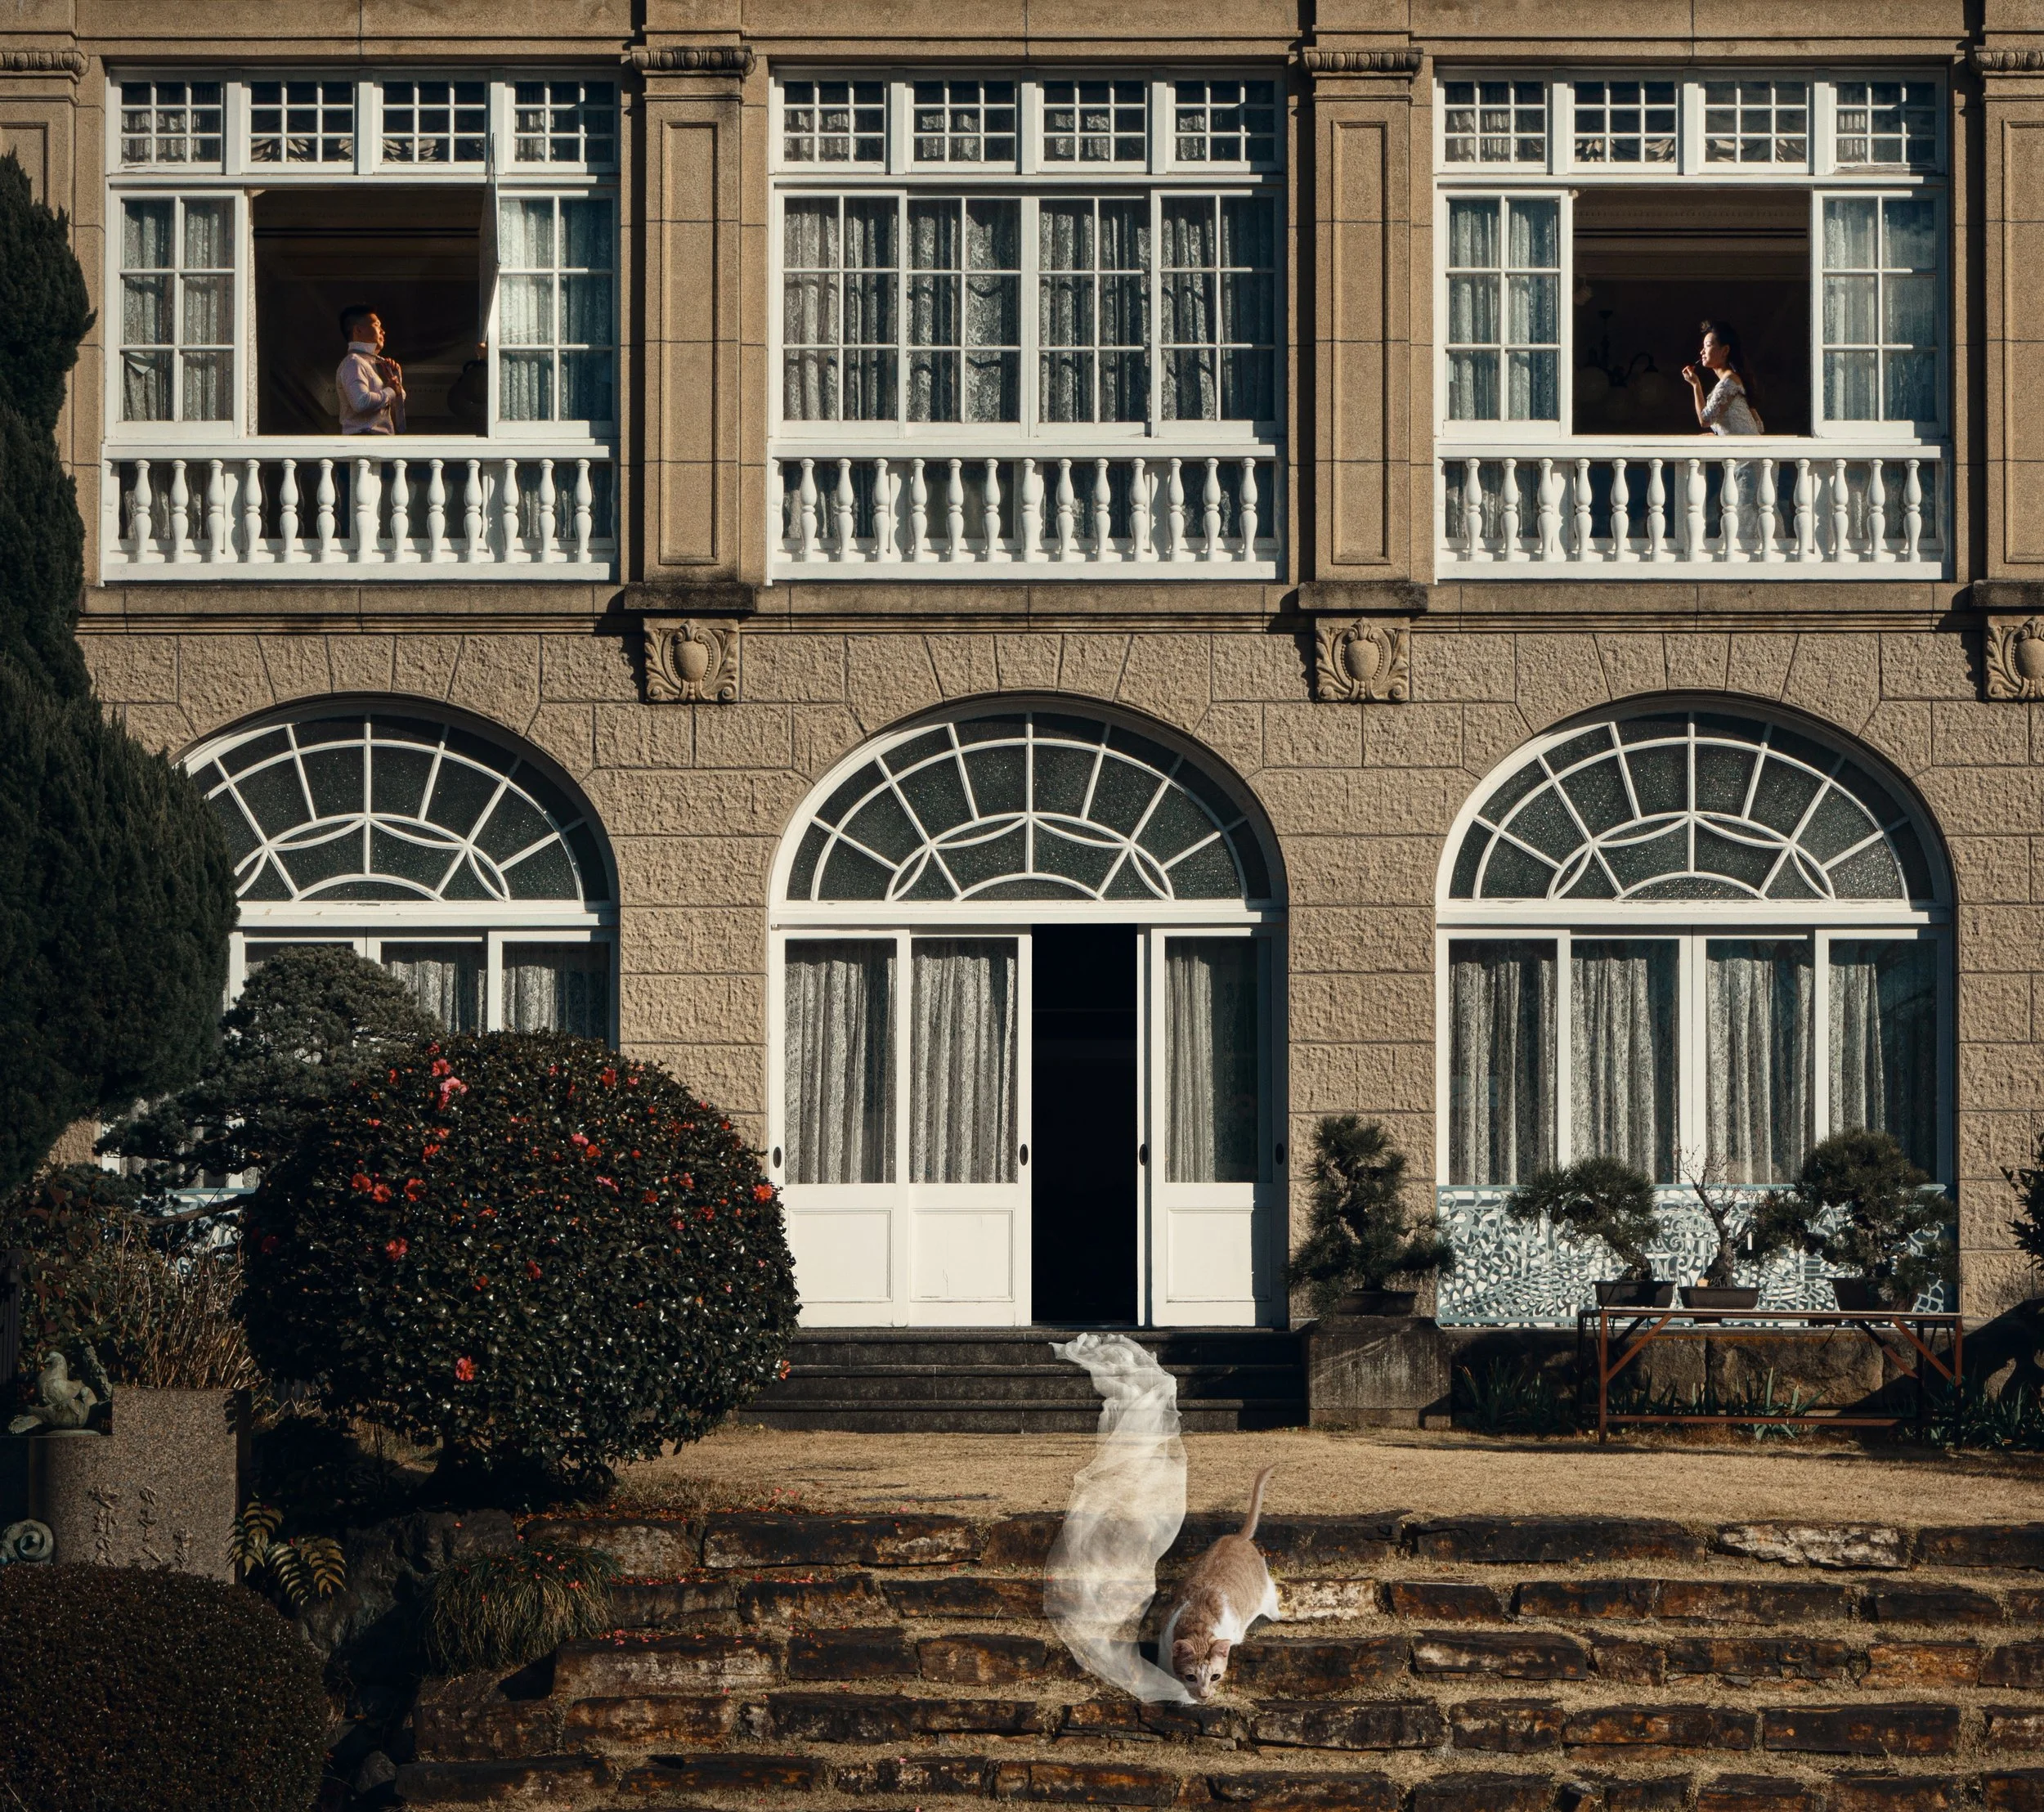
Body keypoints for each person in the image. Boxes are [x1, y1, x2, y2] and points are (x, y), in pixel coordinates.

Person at [1681, 320, 1764, 435]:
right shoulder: (1733, 380)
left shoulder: (1729, 382)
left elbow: (1705, 420)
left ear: (1725, 350)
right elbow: (1759, 427)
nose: (1702, 352)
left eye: (1708, 346)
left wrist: (1696, 385)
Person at [336, 303, 406, 434]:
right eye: (377, 325)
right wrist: (391, 390)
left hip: (376, 443)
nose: (383, 331)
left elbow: (396, 411)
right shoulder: (353, 362)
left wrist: (396, 381)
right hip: (364, 443)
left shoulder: (375, 366)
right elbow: (361, 403)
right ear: (358, 330)